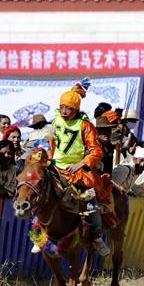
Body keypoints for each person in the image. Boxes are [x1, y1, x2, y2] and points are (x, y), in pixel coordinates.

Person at [49, 79, 110, 256]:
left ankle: (97, 237)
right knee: (38, 194)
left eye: (68, 108)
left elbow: (96, 150)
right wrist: (49, 159)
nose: (64, 111)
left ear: (75, 109)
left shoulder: (85, 126)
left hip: (77, 171)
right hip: (55, 168)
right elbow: (52, 144)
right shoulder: (55, 122)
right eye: (62, 107)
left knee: (90, 203)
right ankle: (40, 236)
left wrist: (80, 164)